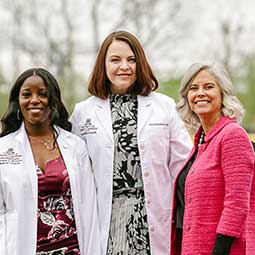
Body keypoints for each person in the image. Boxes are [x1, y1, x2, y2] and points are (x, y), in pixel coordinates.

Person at [70, 30, 192, 255]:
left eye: (131, 59)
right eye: (115, 60)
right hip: (105, 218)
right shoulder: (83, 112)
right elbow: (72, 171)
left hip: (152, 215)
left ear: (140, 64)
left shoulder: (163, 107)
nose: (124, 66)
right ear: (103, 65)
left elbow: (185, 166)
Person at [0, 68, 100, 255]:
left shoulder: (75, 146)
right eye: (27, 94)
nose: (35, 100)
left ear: (53, 100)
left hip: (72, 249)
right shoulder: (3, 149)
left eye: (43, 94)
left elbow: (89, 209)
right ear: (18, 102)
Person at [170, 62, 255, 255]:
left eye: (208, 87)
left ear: (223, 94)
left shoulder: (232, 136)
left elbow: (237, 203)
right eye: (193, 88)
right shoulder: (201, 142)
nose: (200, 93)